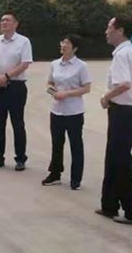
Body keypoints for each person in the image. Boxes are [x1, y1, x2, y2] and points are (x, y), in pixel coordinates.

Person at [95, 15, 132, 226]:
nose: (106, 31)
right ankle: (109, 204)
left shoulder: (122, 55)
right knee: (113, 158)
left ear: (120, 31)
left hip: (121, 112)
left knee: (121, 162)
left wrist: (106, 97)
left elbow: (124, 84)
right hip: (131, 111)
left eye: (109, 27)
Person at [0, 12, 33, 171]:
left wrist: (6, 76)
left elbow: (25, 63)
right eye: (2, 20)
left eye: (8, 20)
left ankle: (20, 158)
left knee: (17, 124)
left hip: (15, 87)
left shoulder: (23, 41)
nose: (4, 22)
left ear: (16, 24)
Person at [42, 35, 92, 190]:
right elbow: (49, 83)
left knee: (76, 145)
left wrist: (67, 94)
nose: (63, 45)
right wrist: (54, 92)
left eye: (67, 43)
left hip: (74, 112)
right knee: (57, 144)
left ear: (75, 48)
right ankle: (55, 174)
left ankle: (76, 178)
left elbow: (87, 88)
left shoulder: (81, 66)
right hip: (56, 111)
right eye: (62, 42)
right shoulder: (54, 64)